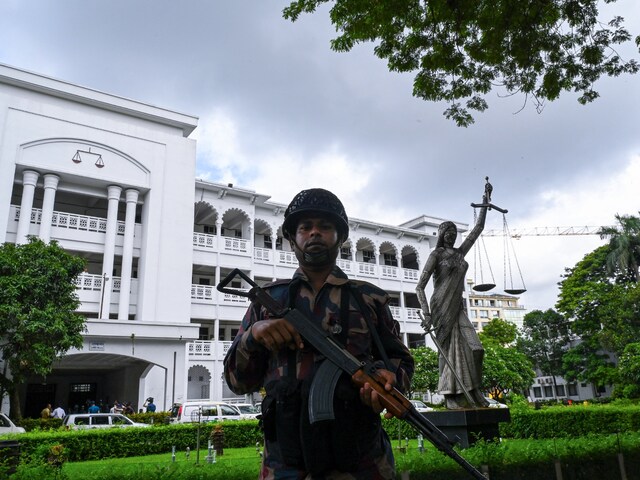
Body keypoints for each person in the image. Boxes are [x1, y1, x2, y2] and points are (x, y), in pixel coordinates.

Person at [224, 188, 414, 480]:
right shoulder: (268, 302)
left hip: (361, 464)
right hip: (284, 466)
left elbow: (400, 361)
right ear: (292, 239)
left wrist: (389, 380)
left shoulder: (369, 300)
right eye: (305, 227)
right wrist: (254, 335)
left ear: (340, 237)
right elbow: (237, 383)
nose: (315, 233)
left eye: (325, 227)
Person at [416, 182, 491, 410]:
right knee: (449, 351)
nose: (450, 236)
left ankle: (473, 389)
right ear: (441, 235)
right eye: (446, 233)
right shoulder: (436, 254)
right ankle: (451, 395)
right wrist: (427, 314)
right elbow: (420, 286)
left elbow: (477, 230)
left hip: (457, 306)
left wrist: (485, 203)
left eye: (453, 233)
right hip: (441, 307)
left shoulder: (460, 253)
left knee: (474, 348)